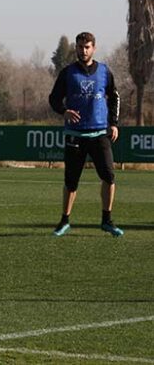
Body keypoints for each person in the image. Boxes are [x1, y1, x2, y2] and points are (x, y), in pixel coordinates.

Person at [48, 31, 123, 238]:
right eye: (80, 47)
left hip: (100, 134)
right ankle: (64, 220)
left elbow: (115, 97)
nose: (83, 50)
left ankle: (107, 220)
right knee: (71, 181)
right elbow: (53, 99)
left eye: (87, 47)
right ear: (76, 49)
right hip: (75, 135)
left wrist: (114, 124)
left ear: (94, 48)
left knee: (109, 176)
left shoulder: (105, 72)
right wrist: (64, 111)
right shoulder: (68, 73)